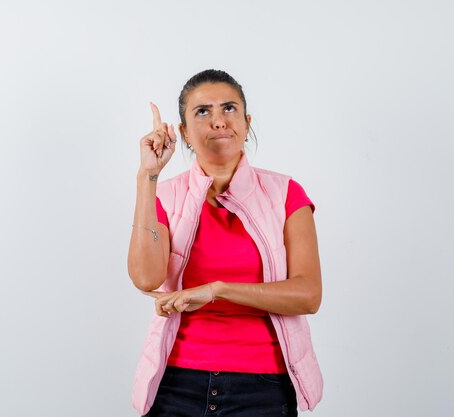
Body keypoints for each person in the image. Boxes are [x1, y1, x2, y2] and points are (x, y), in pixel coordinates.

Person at [128, 69, 323, 417]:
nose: (218, 121)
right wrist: (149, 176)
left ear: (247, 123)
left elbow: (308, 295)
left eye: (229, 108)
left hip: (263, 388)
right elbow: (145, 278)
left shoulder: (286, 194)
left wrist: (216, 289)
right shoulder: (167, 196)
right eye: (202, 111)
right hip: (177, 385)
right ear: (184, 132)